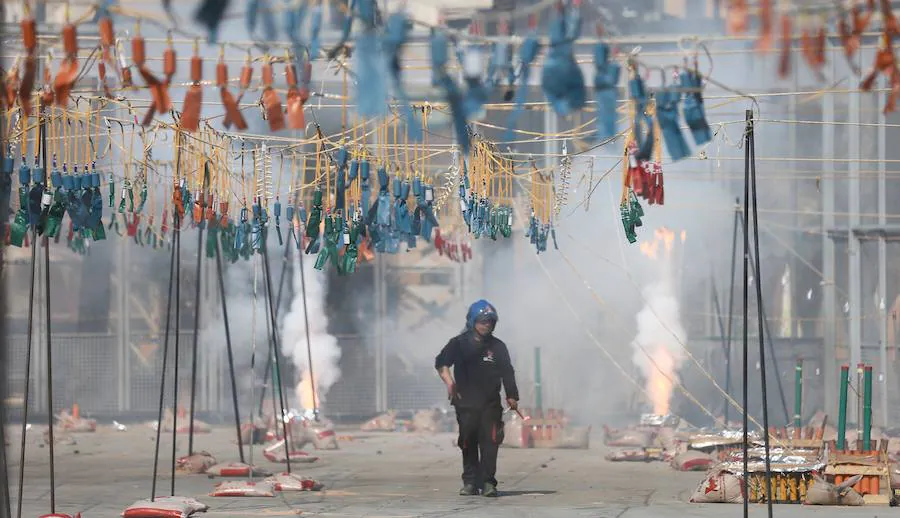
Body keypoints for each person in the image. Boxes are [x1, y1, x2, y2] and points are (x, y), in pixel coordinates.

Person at [434, 299, 519, 498]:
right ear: (473, 321)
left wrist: (512, 395)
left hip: (490, 404)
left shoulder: (498, 347)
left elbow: (507, 372)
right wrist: (450, 383)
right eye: (482, 321)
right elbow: (441, 363)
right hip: (465, 404)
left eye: (490, 321)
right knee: (467, 441)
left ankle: (489, 482)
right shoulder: (458, 343)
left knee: (490, 442)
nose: (486, 325)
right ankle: (470, 481)